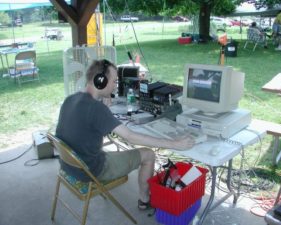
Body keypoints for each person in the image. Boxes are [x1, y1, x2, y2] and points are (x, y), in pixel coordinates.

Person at [55, 59, 195, 210]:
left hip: (69, 165)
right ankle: (144, 200)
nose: (115, 86)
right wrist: (174, 144)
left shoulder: (71, 99)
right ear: (100, 81)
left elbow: (87, 126)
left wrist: (104, 108)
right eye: (114, 81)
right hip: (92, 170)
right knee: (148, 155)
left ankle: (144, 197)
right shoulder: (97, 109)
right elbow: (131, 137)